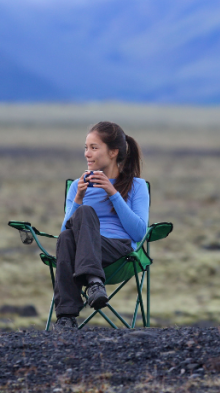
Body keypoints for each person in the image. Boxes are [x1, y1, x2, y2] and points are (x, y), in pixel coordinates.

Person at [54, 121, 149, 330]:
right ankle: (74, 308)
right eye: (86, 148)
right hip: (81, 252)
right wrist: (79, 197)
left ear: (113, 152)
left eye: (94, 148)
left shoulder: (136, 186)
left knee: (85, 215)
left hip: (118, 250)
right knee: (72, 231)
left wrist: (113, 193)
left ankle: (84, 294)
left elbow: (140, 233)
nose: (87, 154)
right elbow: (63, 235)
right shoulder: (78, 188)